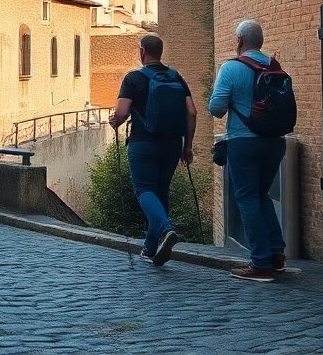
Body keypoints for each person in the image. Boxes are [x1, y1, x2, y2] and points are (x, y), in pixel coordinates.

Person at [108, 34, 197, 267]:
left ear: (141, 52)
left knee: (144, 190)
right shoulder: (176, 76)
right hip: (172, 144)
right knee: (160, 192)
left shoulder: (133, 78)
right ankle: (149, 248)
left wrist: (115, 121)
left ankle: (166, 229)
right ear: (160, 52)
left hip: (143, 143)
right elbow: (192, 112)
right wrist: (187, 146)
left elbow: (121, 112)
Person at [210, 19, 286, 282]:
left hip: (244, 142)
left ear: (239, 41)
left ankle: (261, 263)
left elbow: (215, 107)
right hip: (276, 142)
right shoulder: (274, 66)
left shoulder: (231, 67)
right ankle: (276, 254)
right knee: (261, 195)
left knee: (246, 198)